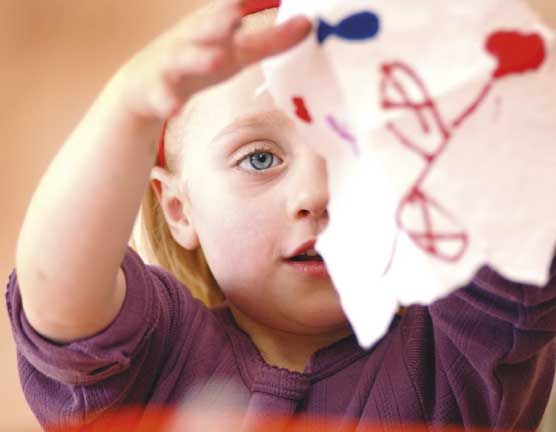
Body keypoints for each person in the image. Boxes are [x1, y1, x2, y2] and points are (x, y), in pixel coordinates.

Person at [6, 0, 556, 430]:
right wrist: (126, 110)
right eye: (261, 159)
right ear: (178, 210)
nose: (316, 195)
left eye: (356, 152)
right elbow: (58, 295)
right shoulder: (154, 353)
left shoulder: (461, 351)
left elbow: (526, 213)